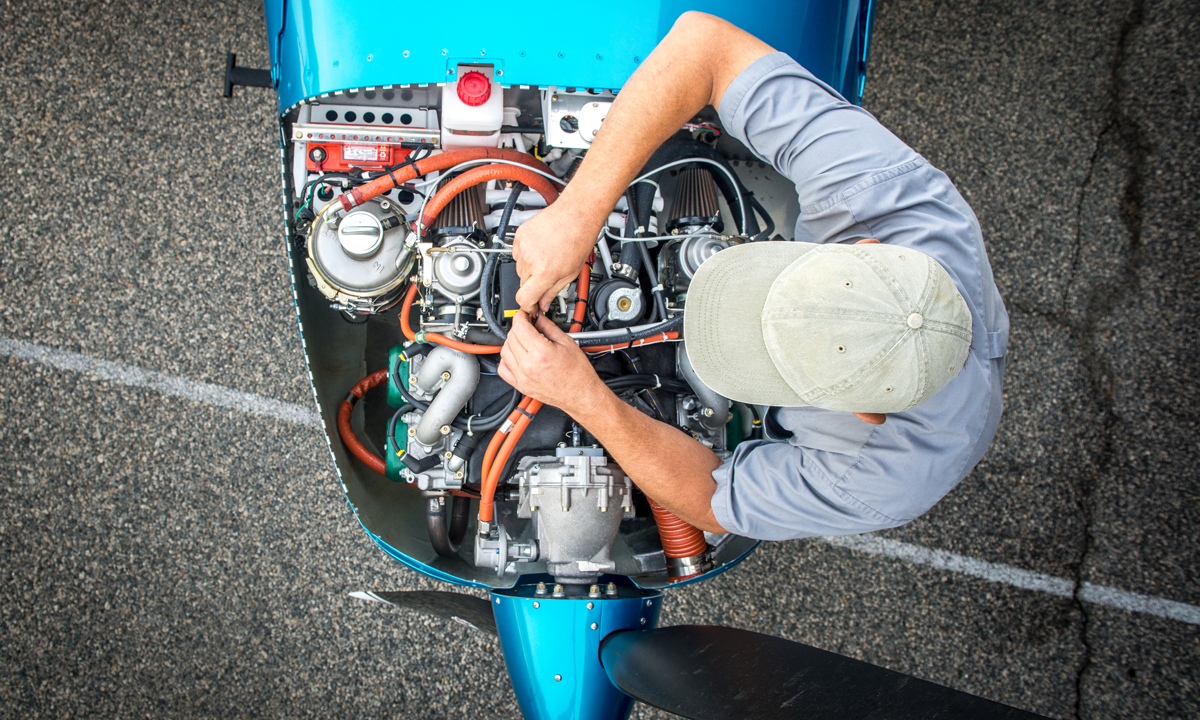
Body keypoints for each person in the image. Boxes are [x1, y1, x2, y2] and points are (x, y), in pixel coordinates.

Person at [496, 12, 1009, 540]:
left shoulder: (886, 478)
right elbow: (703, 44)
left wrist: (586, 398)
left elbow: (713, 499)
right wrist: (578, 213)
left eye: (774, 360)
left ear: (865, 413)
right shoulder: (886, 196)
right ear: (866, 248)